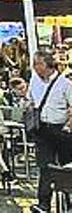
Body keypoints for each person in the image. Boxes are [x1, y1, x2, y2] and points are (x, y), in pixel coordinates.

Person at [29, 50, 72, 213]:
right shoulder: (34, 81)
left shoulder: (65, 84)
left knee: (66, 166)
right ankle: (43, 203)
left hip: (60, 129)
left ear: (47, 65)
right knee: (45, 166)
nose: (34, 68)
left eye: (37, 64)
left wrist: (68, 126)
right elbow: (31, 100)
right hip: (42, 128)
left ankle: (68, 201)